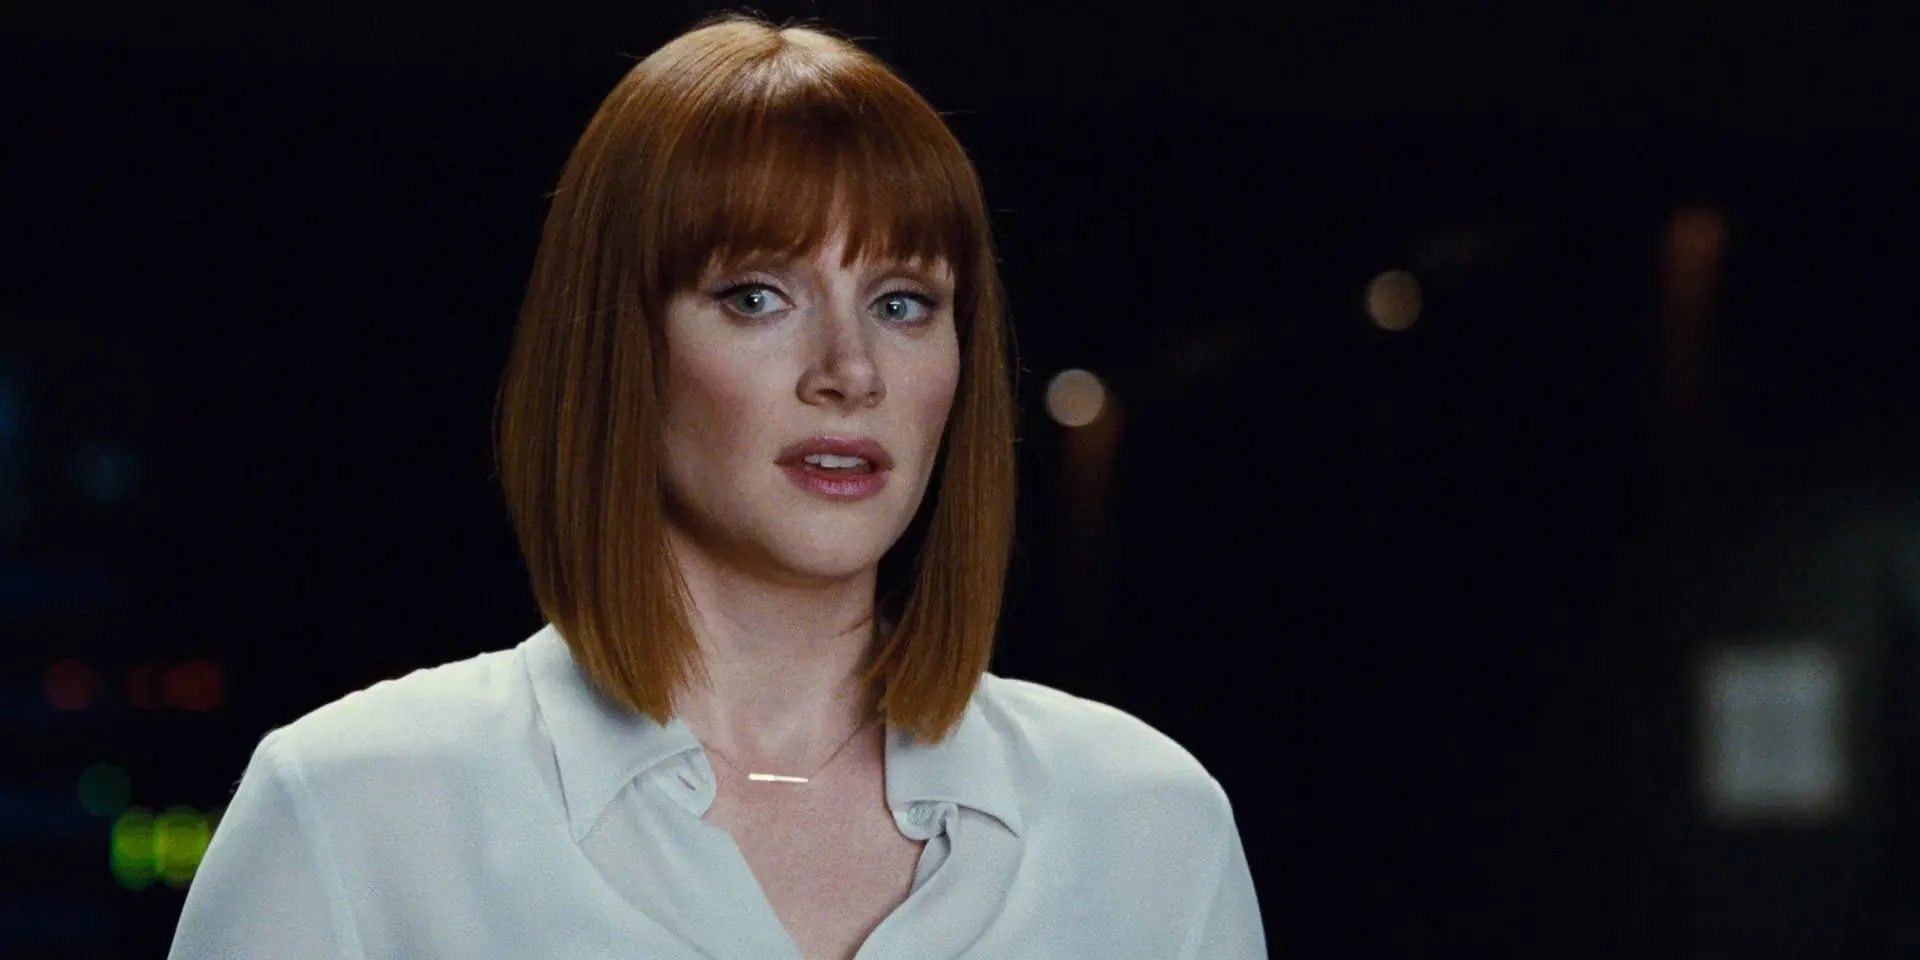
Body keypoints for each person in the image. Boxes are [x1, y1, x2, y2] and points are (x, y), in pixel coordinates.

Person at [167, 14, 1264, 960]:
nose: (851, 372)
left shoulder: (1146, 825)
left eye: (901, 303)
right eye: (756, 296)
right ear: (617, 347)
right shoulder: (358, 812)